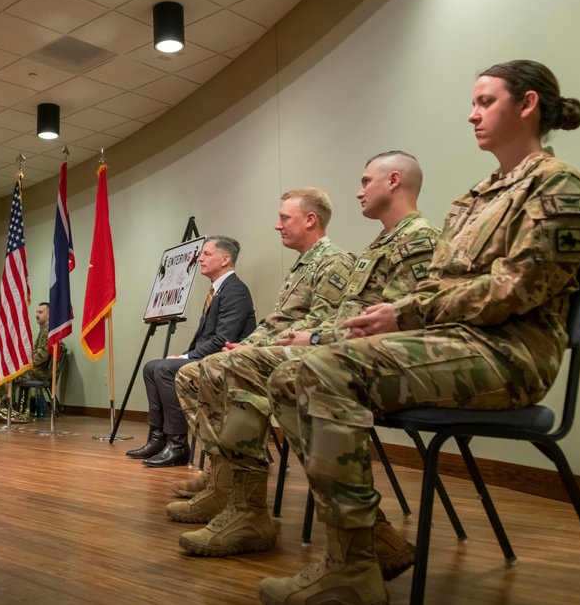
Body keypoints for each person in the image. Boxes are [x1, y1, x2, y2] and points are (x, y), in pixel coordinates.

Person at [259, 60, 580, 605]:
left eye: (486, 101)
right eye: (474, 103)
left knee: (323, 369)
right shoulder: (475, 199)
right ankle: (371, 541)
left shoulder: (560, 188)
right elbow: (439, 288)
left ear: (529, 104)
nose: (472, 114)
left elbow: (518, 288)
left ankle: (350, 570)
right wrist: (394, 314)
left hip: (511, 355)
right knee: (288, 375)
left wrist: (406, 315)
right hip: (457, 344)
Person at [172, 155, 439, 578]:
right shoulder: (374, 248)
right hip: (344, 355)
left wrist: (310, 340)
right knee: (206, 368)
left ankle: (260, 511)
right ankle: (232, 490)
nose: (359, 189)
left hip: (373, 363)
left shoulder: (392, 246)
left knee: (246, 369)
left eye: (366, 180)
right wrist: (263, 342)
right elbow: (306, 322)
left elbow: (391, 320)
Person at [169, 188, 355, 535]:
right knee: (190, 374)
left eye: (285, 217)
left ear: (310, 219)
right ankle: (220, 479)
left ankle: (247, 505)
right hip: (278, 353)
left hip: (309, 360)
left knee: (222, 368)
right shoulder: (301, 267)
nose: (277, 225)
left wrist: (251, 351)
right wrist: (245, 345)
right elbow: (276, 322)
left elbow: (321, 324)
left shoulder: (335, 262)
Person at [126, 236, 256, 467]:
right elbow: (208, 339)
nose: (200, 258)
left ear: (225, 259)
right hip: (210, 358)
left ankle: (178, 446)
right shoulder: (218, 290)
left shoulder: (235, 290)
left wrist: (185, 357)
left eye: (207, 254)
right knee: (151, 367)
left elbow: (223, 339)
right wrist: (186, 354)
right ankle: (158, 438)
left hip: (229, 362)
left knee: (166, 370)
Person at [9, 303, 53, 415]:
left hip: (41, 372)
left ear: (49, 315)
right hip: (37, 370)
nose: (37, 315)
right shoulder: (44, 330)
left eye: (40, 312)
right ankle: (16, 408)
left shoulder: (47, 331)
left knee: (8, 374)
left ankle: (6, 408)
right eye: (36, 312)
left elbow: (42, 356)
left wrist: (24, 363)